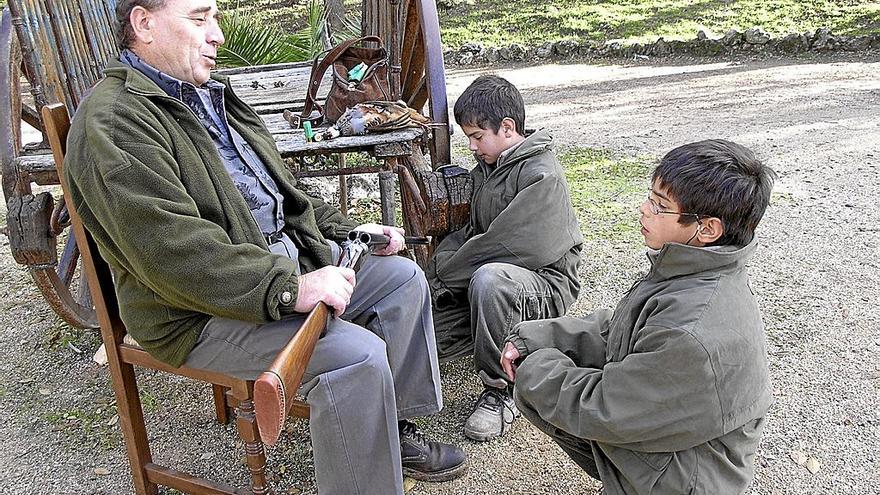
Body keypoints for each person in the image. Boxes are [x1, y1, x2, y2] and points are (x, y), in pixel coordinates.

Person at [63, 1, 466, 493]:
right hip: (194, 310)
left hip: (274, 265)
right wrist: (288, 289)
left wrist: (346, 232)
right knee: (355, 357)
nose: (217, 36)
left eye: (214, 19)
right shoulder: (114, 121)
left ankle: (388, 430)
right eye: (199, 18)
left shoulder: (209, 95)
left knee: (401, 281)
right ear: (144, 24)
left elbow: (283, 194)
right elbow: (171, 254)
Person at [501, 140, 776, 494]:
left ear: (707, 229)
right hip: (676, 449)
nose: (644, 210)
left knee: (548, 395)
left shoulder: (691, 328)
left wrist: (534, 368)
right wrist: (536, 339)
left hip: (685, 483)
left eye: (660, 206)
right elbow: (620, 328)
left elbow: (606, 408)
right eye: (650, 197)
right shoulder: (695, 270)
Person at [426, 75, 583, 441]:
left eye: (478, 136)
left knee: (489, 280)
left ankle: (501, 391)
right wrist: (430, 275)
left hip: (545, 284)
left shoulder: (542, 174)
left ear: (508, 128)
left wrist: (443, 277)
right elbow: (471, 234)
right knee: (425, 334)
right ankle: (501, 339)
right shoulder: (489, 170)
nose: (472, 146)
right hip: (497, 281)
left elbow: (507, 246)